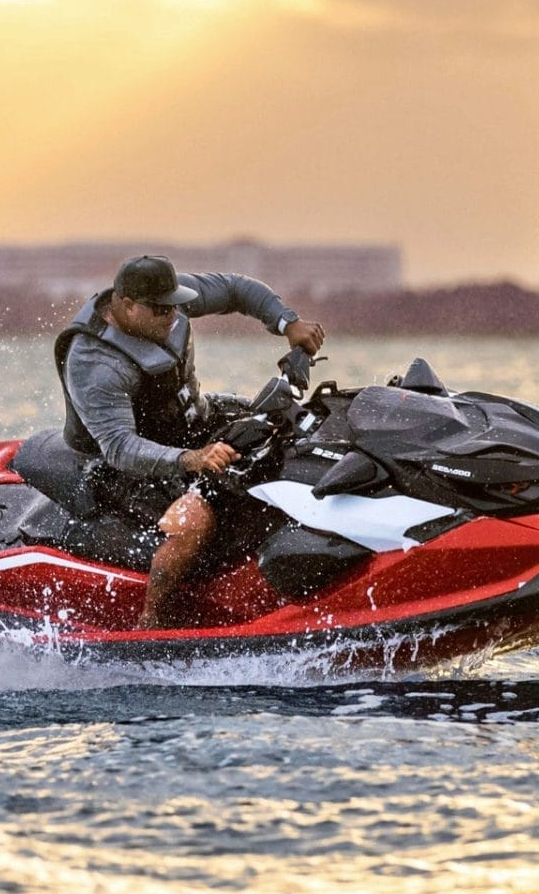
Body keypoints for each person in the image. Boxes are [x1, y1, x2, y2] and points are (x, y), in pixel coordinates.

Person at [16, 254, 324, 628]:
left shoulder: (163, 300)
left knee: (291, 426)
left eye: (174, 307)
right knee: (192, 520)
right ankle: (153, 618)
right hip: (124, 464)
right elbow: (119, 448)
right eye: (161, 311)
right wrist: (190, 459)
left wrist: (287, 323)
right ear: (127, 305)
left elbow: (235, 290)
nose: (172, 317)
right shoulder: (95, 362)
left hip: (194, 423)